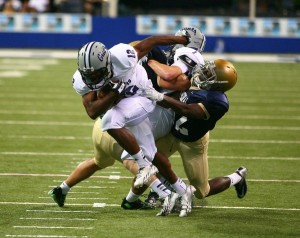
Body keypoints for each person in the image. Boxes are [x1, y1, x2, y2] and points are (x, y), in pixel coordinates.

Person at [49, 33, 194, 215]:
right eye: (89, 74)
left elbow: (150, 42)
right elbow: (92, 112)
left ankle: (145, 169)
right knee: (151, 153)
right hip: (125, 106)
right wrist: (114, 93)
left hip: (142, 96)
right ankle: (182, 190)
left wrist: (179, 40)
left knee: (110, 120)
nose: (93, 77)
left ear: (107, 63)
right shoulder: (81, 79)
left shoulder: (122, 55)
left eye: (96, 72)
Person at [141, 58, 247, 217]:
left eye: (209, 74)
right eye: (206, 70)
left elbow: (188, 110)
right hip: (172, 133)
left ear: (218, 84)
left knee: (202, 191)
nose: (203, 73)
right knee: (147, 160)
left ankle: (237, 177)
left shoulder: (218, 102)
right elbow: (175, 98)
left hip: (193, 143)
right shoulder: (197, 82)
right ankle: (159, 193)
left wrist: (159, 97)